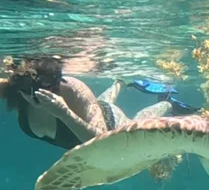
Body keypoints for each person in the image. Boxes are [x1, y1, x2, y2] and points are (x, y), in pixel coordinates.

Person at [0, 56, 176, 150]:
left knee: (138, 124)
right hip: (91, 111)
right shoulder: (16, 88)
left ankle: (168, 102)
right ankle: (120, 82)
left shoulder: (73, 89)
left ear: (55, 83)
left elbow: (102, 143)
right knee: (100, 103)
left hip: (110, 124)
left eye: (42, 89)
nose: (34, 97)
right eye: (27, 90)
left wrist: (64, 113)